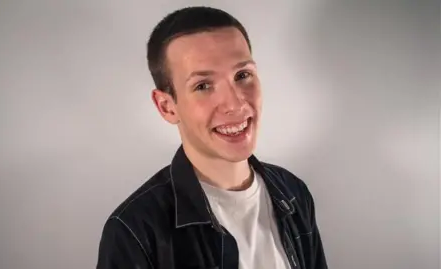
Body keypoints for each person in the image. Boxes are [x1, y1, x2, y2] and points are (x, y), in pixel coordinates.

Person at [96, 6, 328, 269]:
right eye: (203, 86)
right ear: (167, 106)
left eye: (242, 75)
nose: (235, 104)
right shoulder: (135, 230)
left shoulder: (294, 193)